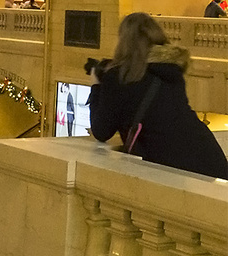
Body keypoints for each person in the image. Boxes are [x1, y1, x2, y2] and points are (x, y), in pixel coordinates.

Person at [90, 12, 228, 177]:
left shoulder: (120, 77)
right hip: (210, 159)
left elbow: (101, 131)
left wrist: (97, 86)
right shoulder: (171, 71)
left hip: (177, 168)